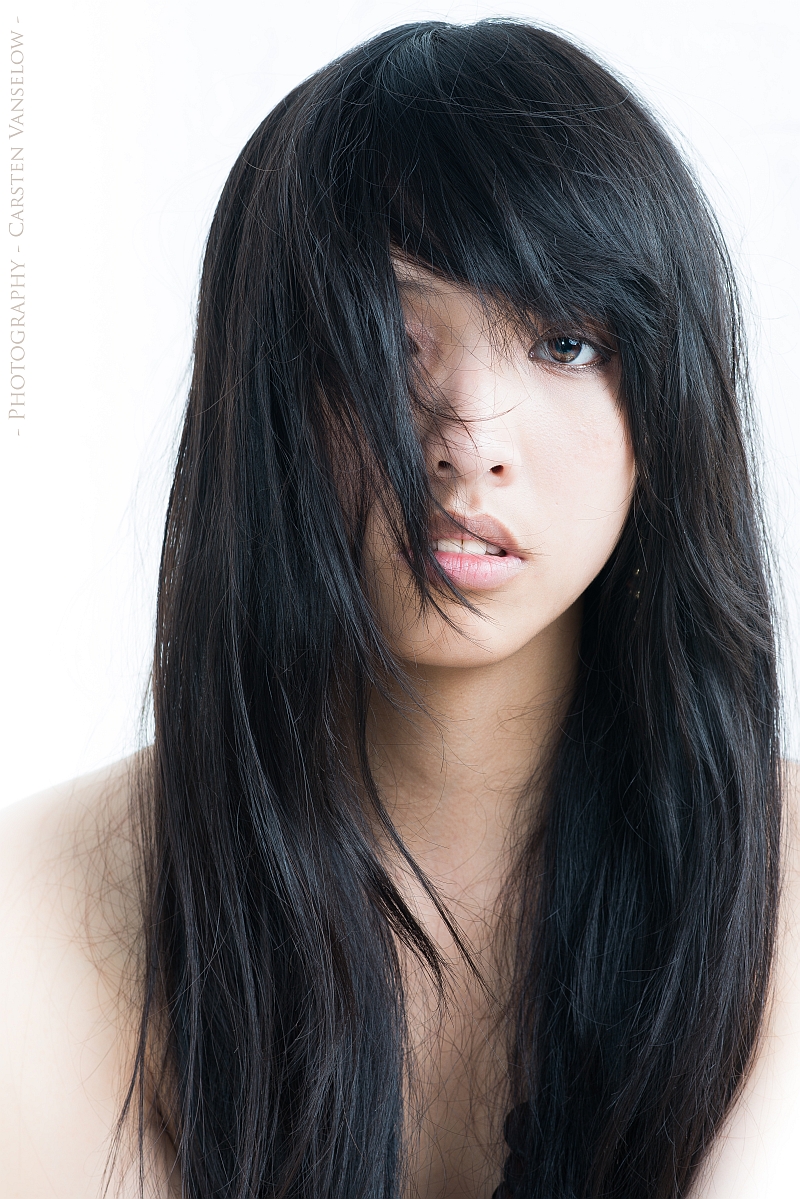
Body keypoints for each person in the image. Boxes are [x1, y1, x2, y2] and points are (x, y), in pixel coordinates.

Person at [1, 18, 798, 1199]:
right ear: (264, 388)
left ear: (665, 405)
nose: (469, 436)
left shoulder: (779, 889)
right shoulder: (36, 905)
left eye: (563, 341)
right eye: (386, 334)